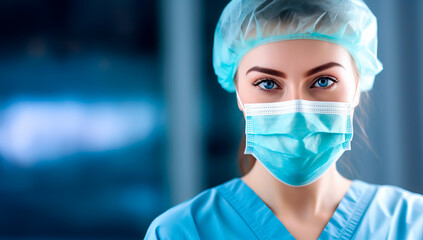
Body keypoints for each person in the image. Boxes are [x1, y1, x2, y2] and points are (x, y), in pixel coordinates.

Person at [145, 0, 423, 239]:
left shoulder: (411, 225)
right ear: (238, 93)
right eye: (267, 84)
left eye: (323, 81)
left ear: (357, 87)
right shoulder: (181, 232)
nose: (296, 112)